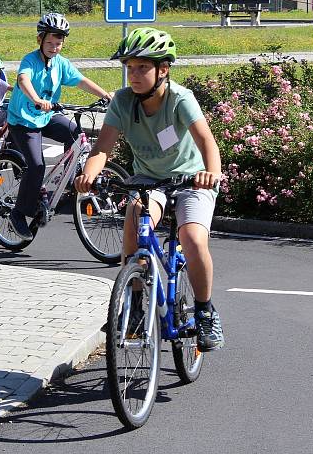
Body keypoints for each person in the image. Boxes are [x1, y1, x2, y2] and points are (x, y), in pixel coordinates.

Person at [73, 27, 225, 352]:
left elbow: (206, 141)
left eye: (143, 67)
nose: (135, 75)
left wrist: (211, 173)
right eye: (130, 67)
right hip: (149, 182)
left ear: (163, 69)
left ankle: (205, 311)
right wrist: (89, 174)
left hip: (190, 181)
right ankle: (135, 301)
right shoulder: (123, 102)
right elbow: (102, 149)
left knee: (193, 238)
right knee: (135, 219)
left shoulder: (180, 99)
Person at [6, 12, 113, 240]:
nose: (54, 48)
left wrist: (105, 95)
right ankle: (18, 213)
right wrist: (36, 99)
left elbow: (82, 80)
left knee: (76, 133)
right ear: (40, 41)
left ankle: (69, 179)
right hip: (23, 120)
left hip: (46, 117)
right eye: (50, 43)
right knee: (36, 165)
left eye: (59, 43)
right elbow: (23, 80)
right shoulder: (30, 61)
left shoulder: (60, 64)